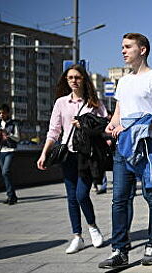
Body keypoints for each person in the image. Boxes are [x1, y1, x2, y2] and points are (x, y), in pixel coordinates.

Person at [98, 33, 152, 268]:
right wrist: (112, 124)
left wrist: (130, 125)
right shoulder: (124, 81)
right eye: (122, 47)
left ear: (143, 50)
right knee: (119, 199)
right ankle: (119, 250)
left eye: (128, 47)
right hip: (123, 149)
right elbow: (118, 112)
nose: (123, 51)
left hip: (148, 147)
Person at [36, 64, 107, 254]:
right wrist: (44, 154)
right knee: (71, 197)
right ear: (66, 81)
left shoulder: (95, 102)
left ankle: (93, 227)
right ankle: (77, 236)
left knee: (81, 194)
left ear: (84, 79)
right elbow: (54, 131)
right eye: (70, 78)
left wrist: (84, 123)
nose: (74, 81)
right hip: (68, 154)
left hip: (87, 155)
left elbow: (104, 126)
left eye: (77, 77)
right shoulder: (61, 102)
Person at [0, 104, 19, 205]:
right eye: (0, 113)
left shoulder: (13, 124)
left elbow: (18, 138)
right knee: (5, 174)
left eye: (3, 113)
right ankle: (11, 196)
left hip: (10, 150)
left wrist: (9, 135)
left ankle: (11, 196)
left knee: (5, 172)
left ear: (7, 113)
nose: (1, 115)